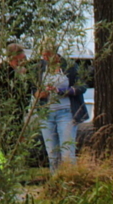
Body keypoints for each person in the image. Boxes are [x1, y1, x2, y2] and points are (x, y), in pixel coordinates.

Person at [35, 42, 88, 171]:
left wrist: (61, 91)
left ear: (55, 53)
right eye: (43, 56)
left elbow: (82, 87)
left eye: (48, 55)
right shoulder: (40, 68)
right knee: (52, 153)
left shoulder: (70, 67)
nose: (45, 59)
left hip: (66, 112)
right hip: (46, 113)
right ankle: (56, 185)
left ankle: (70, 181)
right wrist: (39, 94)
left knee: (67, 152)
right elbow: (33, 89)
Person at [0, 43, 36, 161]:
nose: (22, 61)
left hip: (18, 113)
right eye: (19, 58)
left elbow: (28, 91)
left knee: (18, 146)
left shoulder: (26, 71)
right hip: (4, 113)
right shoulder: (1, 71)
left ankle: (15, 171)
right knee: (6, 146)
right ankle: (6, 172)